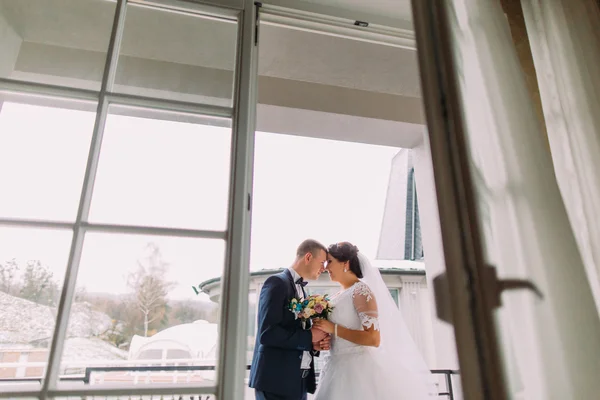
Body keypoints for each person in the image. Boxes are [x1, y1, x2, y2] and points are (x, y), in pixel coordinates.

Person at [312, 242, 436, 400]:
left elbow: (373, 339)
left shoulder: (360, 291)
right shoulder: (336, 296)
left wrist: (333, 329)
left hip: (357, 371)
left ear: (345, 263)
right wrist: (326, 340)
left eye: (329, 261)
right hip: (334, 367)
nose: (325, 267)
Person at [249, 239, 332, 400]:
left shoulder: (303, 291)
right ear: (308, 257)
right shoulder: (277, 283)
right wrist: (309, 336)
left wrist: (313, 344)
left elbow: (294, 331)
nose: (323, 269)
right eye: (322, 262)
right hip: (275, 382)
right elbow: (267, 334)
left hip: (297, 381)